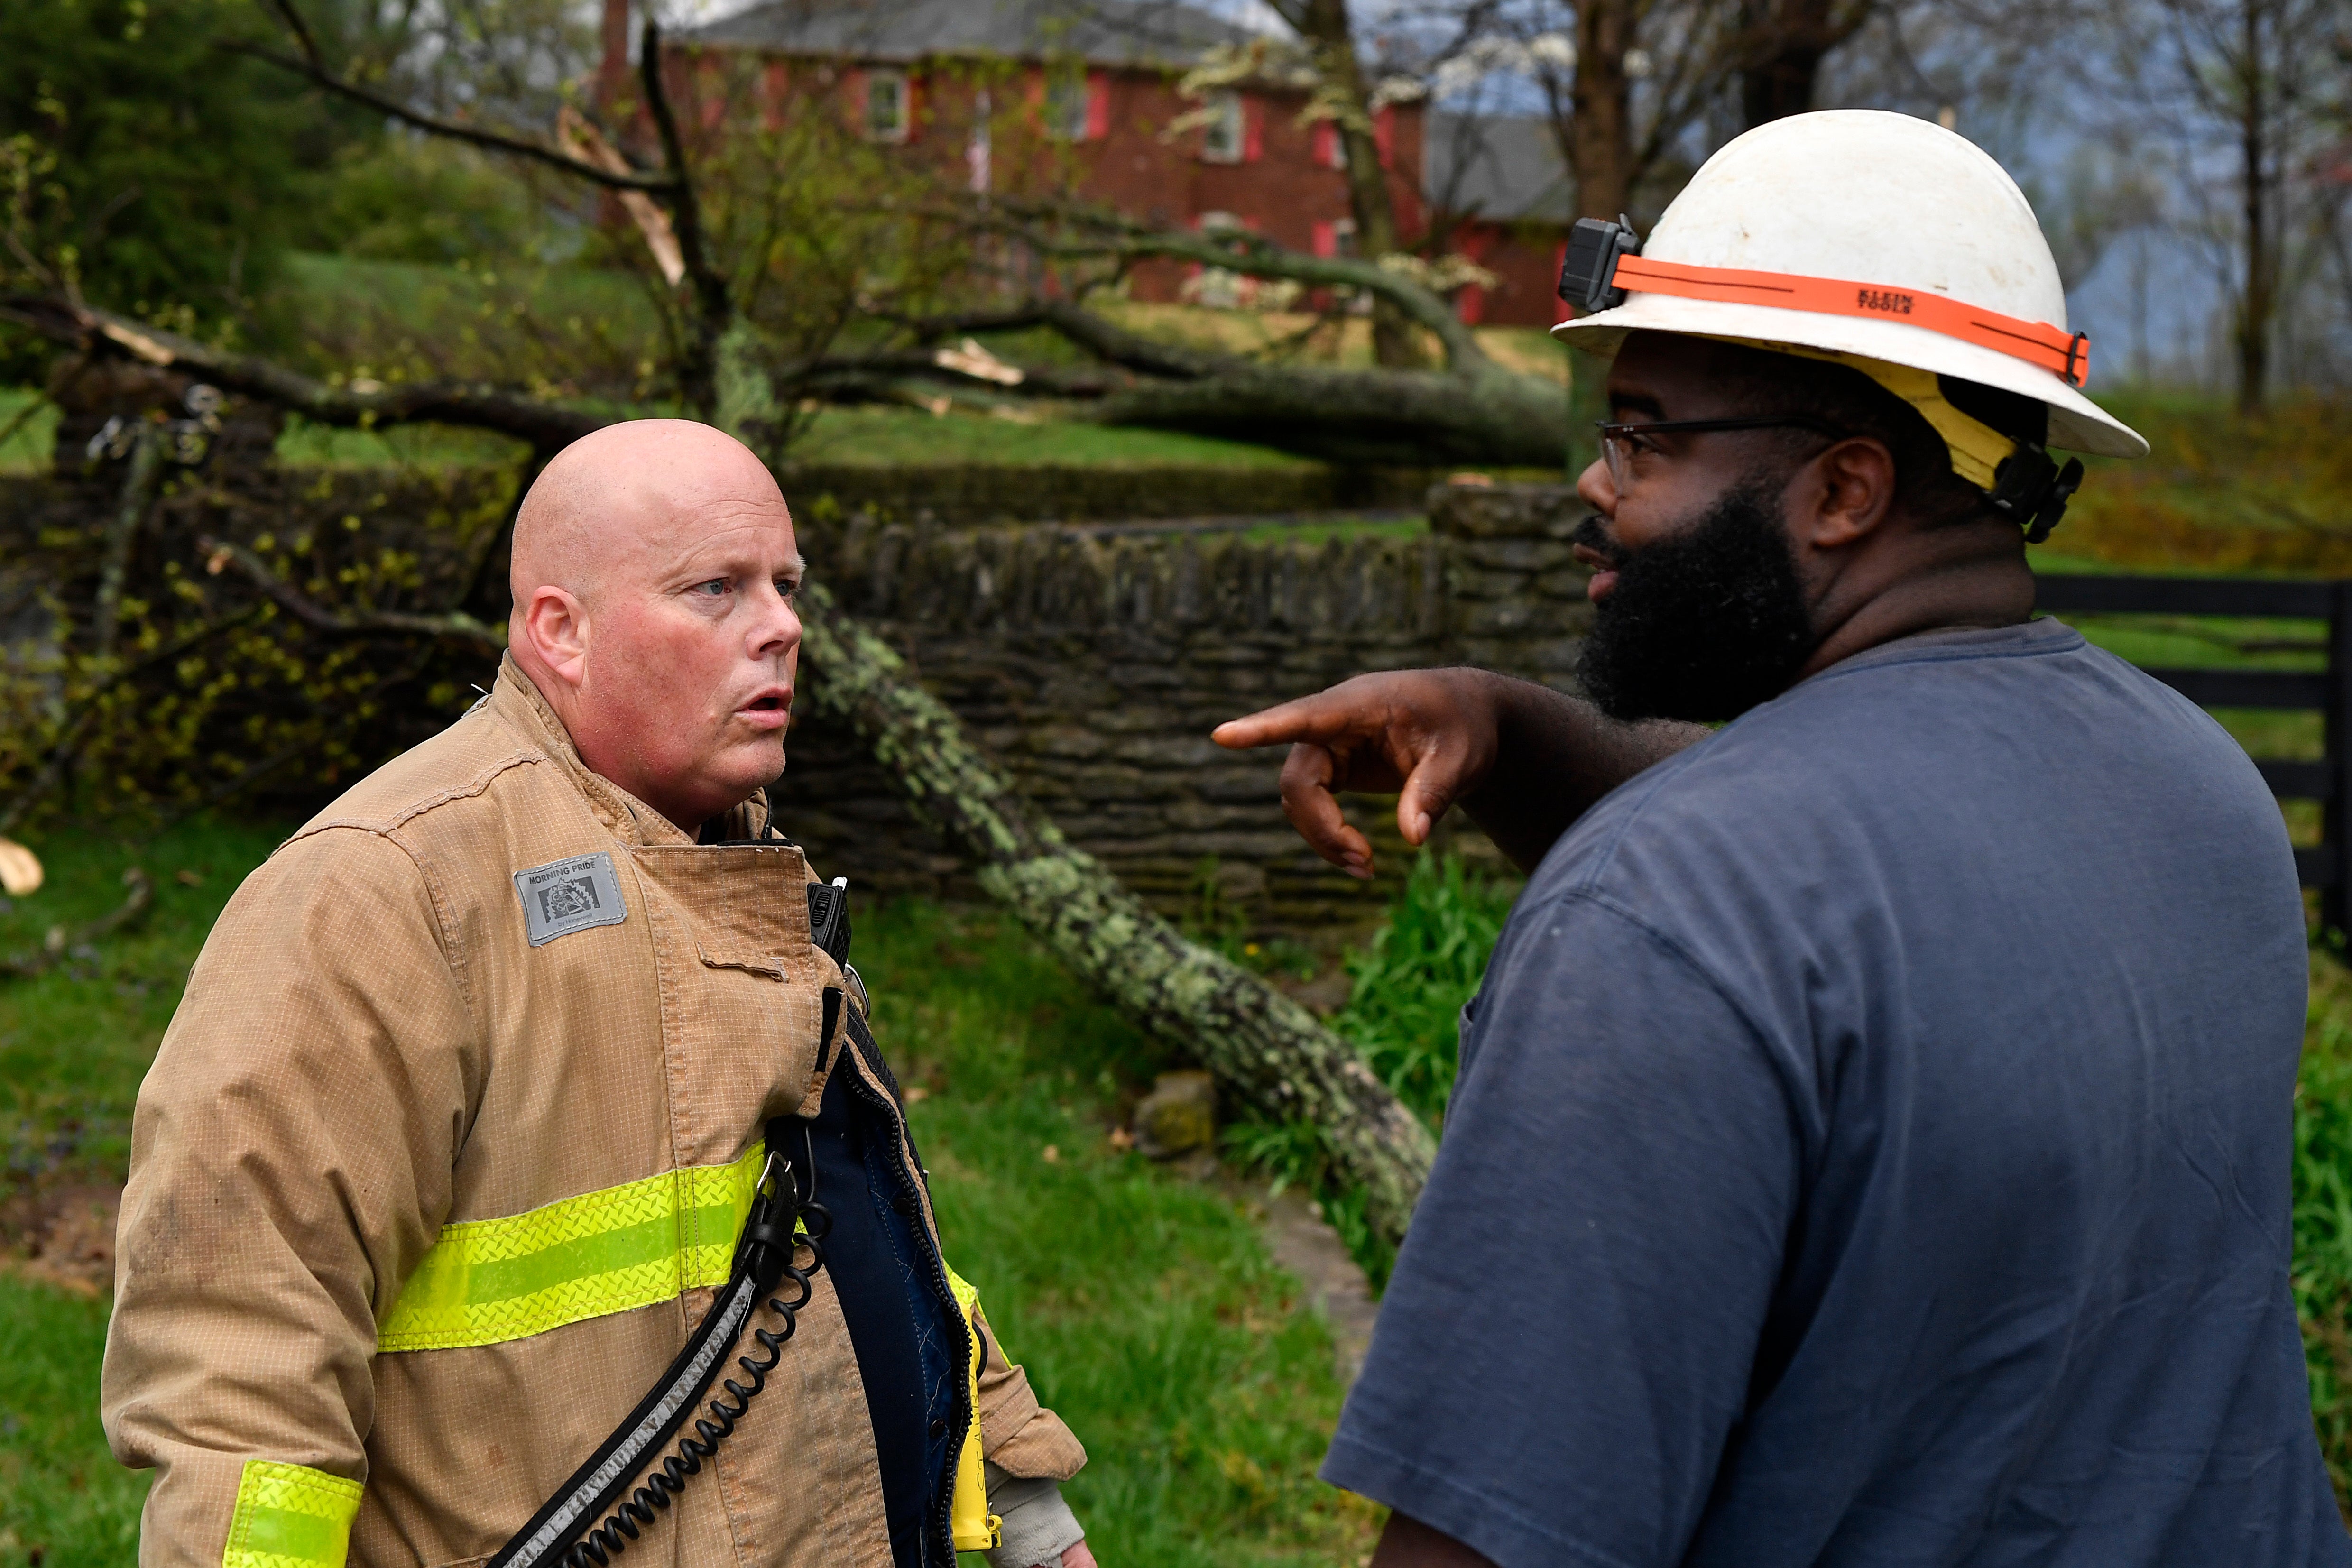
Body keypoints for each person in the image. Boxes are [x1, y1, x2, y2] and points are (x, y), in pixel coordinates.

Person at [1215, 110, 2352, 1567]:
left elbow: (1497, 1541)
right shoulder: (2204, 789)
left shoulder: (1662, 912)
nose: (1594, 484)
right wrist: (1509, 723)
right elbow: (1862, 869)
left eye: (1643, 438)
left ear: (1844, 489)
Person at [102, 420, 1097, 1568]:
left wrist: (1024, 1504)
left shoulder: (729, 852)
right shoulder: (385, 887)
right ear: (561, 632)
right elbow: (238, 1363)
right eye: (715, 589)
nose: (781, 626)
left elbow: (860, 1223)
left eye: (785, 585)